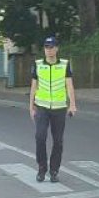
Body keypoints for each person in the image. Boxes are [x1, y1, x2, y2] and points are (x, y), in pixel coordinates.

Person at [29, 36, 77, 181]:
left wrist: (72, 104)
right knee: (40, 137)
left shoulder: (64, 64)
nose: (49, 50)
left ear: (57, 48)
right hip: (42, 107)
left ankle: (54, 170)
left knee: (58, 141)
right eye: (46, 47)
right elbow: (33, 87)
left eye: (51, 47)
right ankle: (41, 168)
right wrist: (30, 107)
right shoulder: (38, 65)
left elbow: (69, 85)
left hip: (59, 108)